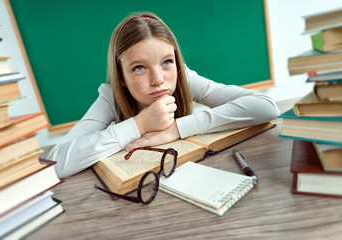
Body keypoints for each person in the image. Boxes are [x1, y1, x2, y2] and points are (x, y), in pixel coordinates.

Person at [47, 12, 280, 179]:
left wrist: (176, 129)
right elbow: (54, 164)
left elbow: (266, 106)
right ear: (121, 76)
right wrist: (139, 124)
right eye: (139, 67)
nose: (158, 79)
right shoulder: (111, 97)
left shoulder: (184, 78)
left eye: (167, 62)